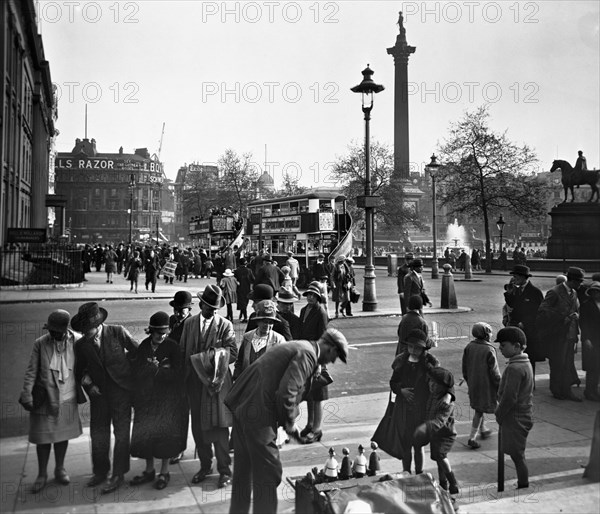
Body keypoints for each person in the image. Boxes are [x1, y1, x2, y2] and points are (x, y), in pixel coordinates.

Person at [225, 328, 349, 514]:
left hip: (246, 406)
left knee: (244, 470)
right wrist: (290, 425)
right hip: (258, 412)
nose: (332, 361)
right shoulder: (307, 354)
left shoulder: (302, 347)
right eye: (335, 356)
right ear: (330, 347)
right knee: (269, 472)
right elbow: (286, 392)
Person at [73, 302, 139, 493]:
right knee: (98, 434)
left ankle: (118, 474)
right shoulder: (81, 345)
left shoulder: (118, 332)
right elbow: (80, 371)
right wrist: (89, 385)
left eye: (88, 329)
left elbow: (137, 352)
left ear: (98, 324)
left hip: (121, 392)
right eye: (83, 330)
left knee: (121, 433)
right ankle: (100, 472)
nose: (85, 333)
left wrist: (128, 376)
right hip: (99, 396)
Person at [19, 310, 84, 493]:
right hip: (45, 397)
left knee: (61, 436)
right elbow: (31, 370)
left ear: (65, 329)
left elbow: (87, 364)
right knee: (43, 438)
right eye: (51, 330)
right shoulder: (40, 343)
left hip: (67, 396)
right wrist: (27, 394)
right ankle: (41, 474)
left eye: (56, 331)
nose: (52, 334)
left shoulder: (77, 340)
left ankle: (60, 469)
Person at [180, 284, 237, 489]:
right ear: (201, 305)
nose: (213, 311)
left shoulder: (225, 325)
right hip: (195, 385)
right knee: (199, 428)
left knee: (220, 430)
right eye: (209, 307)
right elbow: (183, 351)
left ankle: (224, 470)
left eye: (215, 308)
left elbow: (232, 352)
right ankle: (205, 466)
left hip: (216, 385)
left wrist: (208, 360)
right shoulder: (189, 324)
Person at [129, 312, 187, 490]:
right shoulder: (144, 346)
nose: (161, 336)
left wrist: (159, 371)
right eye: (157, 333)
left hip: (167, 401)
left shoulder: (173, 347)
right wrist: (148, 368)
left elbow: (179, 374)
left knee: (165, 437)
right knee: (146, 436)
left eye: (164, 333)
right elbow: (136, 372)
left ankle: (164, 472)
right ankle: (149, 470)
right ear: (151, 331)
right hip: (147, 400)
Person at [389, 328, 439, 475]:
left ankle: (419, 472)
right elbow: (393, 382)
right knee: (406, 444)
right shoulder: (401, 361)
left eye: (417, 348)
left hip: (420, 410)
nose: (413, 350)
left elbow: (435, 383)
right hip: (404, 410)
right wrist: (401, 390)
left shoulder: (428, 363)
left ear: (423, 348)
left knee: (418, 444)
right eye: (410, 346)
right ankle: (406, 472)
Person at [536, 266, 585, 401]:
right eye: (579, 282)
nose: (581, 284)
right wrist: (565, 317)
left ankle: (566, 390)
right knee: (557, 364)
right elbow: (543, 311)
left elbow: (575, 309)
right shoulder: (555, 292)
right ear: (572, 280)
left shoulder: (574, 292)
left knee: (567, 364)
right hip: (557, 335)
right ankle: (557, 390)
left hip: (570, 335)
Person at [495, 327, 534, 489]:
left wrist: (499, 413)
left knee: (517, 455)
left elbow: (510, 397)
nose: (500, 349)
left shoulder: (514, 368)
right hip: (522, 414)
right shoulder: (524, 363)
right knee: (516, 453)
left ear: (517, 346)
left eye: (503, 345)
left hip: (515, 417)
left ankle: (523, 484)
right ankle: (522, 482)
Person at [413, 367, 459, 496]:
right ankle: (443, 484)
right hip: (435, 434)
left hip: (445, 435)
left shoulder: (446, 403)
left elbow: (439, 421)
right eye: (430, 382)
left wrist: (425, 427)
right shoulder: (432, 396)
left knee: (440, 456)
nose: (431, 385)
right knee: (438, 459)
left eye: (435, 384)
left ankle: (452, 481)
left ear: (444, 387)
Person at [461, 322, 501, 449]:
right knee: (496, 409)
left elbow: (464, 368)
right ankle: (472, 437)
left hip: (474, 384)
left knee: (479, 407)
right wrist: (499, 385)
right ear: (486, 335)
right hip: (487, 386)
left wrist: (469, 381)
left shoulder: (469, 347)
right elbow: (494, 372)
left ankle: (483, 429)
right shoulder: (489, 349)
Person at [299, 281, 330, 444]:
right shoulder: (304, 310)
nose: (310, 297)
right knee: (309, 393)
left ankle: (317, 429)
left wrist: (319, 363)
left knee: (317, 394)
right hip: (306, 355)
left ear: (318, 296)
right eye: (308, 294)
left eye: (314, 295)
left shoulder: (321, 312)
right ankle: (310, 424)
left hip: (316, 357)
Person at [166, 290, 194, 465]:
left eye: (181, 310)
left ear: (189, 309)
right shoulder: (173, 320)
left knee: (182, 412)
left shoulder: (192, 324)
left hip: (186, 374)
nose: (177, 313)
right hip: (171, 373)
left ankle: (179, 448)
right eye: (176, 309)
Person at [503, 265, 544, 375]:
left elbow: (538, 312)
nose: (514, 279)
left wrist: (525, 322)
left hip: (529, 331)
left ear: (523, 277)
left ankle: (530, 382)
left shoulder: (535, 292)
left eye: (516, 277)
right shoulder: (516, 290)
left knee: (529, 358)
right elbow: (512, 305)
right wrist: (509, 292)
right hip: (517, 329)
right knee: (517, 356)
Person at [233, 300, 287, 381]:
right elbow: (240, 362)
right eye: (264, 321)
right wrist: (237, 379)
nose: (267, 325)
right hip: (248, 384)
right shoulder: (248, 337)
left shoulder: (279, 340)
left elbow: (284, 366)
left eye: (270, 322)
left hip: (267, 386)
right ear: (258, 321)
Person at [580, 281, 600, 401]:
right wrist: (586, 339)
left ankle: (594, 390)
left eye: (597, 291)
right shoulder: (586, 304)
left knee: (598, 366)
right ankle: (589, 391)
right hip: (592, 340)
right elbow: (583, 323)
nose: (595, 294)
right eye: (593, 292)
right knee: (592, 366)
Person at [234, 258, 254, 322]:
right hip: (247, 289)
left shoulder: (237, 271)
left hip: (239, 289)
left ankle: (244, 317)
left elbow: (235, 280)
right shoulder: (249, 270)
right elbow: (253, 279)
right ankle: (244, 316)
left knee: (242, 302)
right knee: (245, 303)